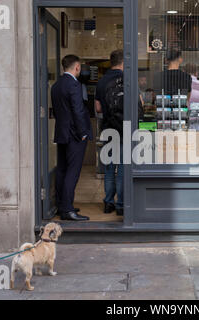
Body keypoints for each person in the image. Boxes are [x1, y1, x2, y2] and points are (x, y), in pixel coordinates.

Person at [51, 55, 92, 221]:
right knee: (72, 172)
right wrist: (83, 133)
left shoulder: (56, 85)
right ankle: (68, 209)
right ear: (77, 67)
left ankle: (63, 205)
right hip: (75, 135)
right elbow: (78, 111)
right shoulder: (74, 85)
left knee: (62, 170)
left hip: (61, 133)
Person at [95, 50, 125, 216]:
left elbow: (98, 108)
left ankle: (108, 203)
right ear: (123, 63)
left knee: (108, 167)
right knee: (121, 167)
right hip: (123, 129)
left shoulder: (102, 81)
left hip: (107, 128)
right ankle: (120, 205)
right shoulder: (126, 80)